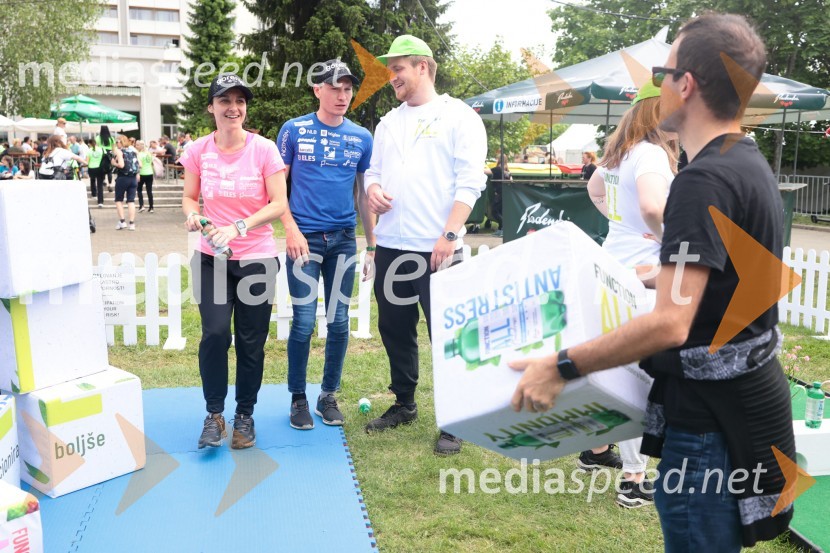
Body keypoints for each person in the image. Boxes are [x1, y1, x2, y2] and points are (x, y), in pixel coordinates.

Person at [510, 13, 795, 552]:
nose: (656, 86)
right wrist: (652, 273)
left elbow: (670, 323)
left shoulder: (699, 181)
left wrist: (561, 365)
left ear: (685, 84)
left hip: (711, 426)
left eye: (663, 72)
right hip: (750, 410)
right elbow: (727, 279)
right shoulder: (748, 165)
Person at [364, 35, 487, 455]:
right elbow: (372, 173)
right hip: (391, 246)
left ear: (423, 67)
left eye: (397, 68)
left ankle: (456, 421)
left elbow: (471, 181)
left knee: (448, 336)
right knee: (394, 329)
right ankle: (404, 404)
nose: (391, 76)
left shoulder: (460, 116)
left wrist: (450, 234)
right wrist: (375, 188)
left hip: (437, 248)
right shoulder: (387, 123)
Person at [583, 81, 677, 509]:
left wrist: (620, 223)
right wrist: (672, 241)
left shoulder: (619, 153)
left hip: (613, 267)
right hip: (644, 277)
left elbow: (594, 190)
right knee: (641, 380)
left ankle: (597, 450)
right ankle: (635, 479)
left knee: (612, 371)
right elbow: (656, 208)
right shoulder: (653, 154)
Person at [181, 73, 288, 450]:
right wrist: (193, 215)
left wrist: (238, 226)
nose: (233, 108)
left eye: (240, 101)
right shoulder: (197, 151)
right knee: (213, 335)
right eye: (224, 101)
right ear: (211, 107)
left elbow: (278, 203)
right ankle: (214, 415)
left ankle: (245, 415)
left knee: (250, 341)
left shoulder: (264, 149)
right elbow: (190, 198)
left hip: (256, 258)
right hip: (212, 258)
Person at [276, 60, 375, 430]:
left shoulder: (362, 137)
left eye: (348, 88)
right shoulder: (294, 130)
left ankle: (327, 395)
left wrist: (373, 245)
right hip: (303, 239)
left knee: (338, 322)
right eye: (334, 88)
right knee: (302, 322)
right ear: (317, 90)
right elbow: (277, 188)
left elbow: (364, 195)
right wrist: (290, 229)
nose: (342, 95)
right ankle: (298, 397)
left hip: (343, 241)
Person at [111, 135, 139, 230]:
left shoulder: (119, 151)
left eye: (117, 142)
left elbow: (121, 165)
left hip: (123, 178)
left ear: (120, 142)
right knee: (131, 201)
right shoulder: (134, 151)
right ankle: (132, 224)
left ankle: (122, 221)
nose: (116, 144)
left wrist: (114, 163)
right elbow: (140, 164)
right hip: (133, 178)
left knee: (119, 200)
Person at [489, 154, 511, 237]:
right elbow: (511, 179)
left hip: (499, 192)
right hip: (505, 192)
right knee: (500, 211)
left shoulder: (497, 169)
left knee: (494, 211)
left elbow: (485, 171)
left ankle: (505, 227)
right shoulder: (506, 169)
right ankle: (500, 229)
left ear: (498, 159)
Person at [136, 140, 155, 213]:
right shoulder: (149, 154)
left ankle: (141, 206)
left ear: (140, 146)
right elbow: (152, 163)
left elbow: (140, 165)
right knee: (149, 191)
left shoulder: (139, 154)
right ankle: (151, 207)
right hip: (150, 173)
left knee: (139, 190)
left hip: (142, 173)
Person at [86, 138, 106, 207]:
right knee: (100, 185)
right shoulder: (102, 149)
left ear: (89, 144)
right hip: (100, 168)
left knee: (92, 181)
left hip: (91, 168)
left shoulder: (89, 151)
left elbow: (87, 161)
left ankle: (94, 194)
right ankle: (100, 201)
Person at [98, 126, 116, 192]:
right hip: (109, 154)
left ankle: (103, 181)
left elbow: (97, 146)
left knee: (101, 168)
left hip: (101, 154)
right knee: (109, 170)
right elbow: (113, 148)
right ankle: (110, 184)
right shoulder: (111, 138)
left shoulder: (98, 138)